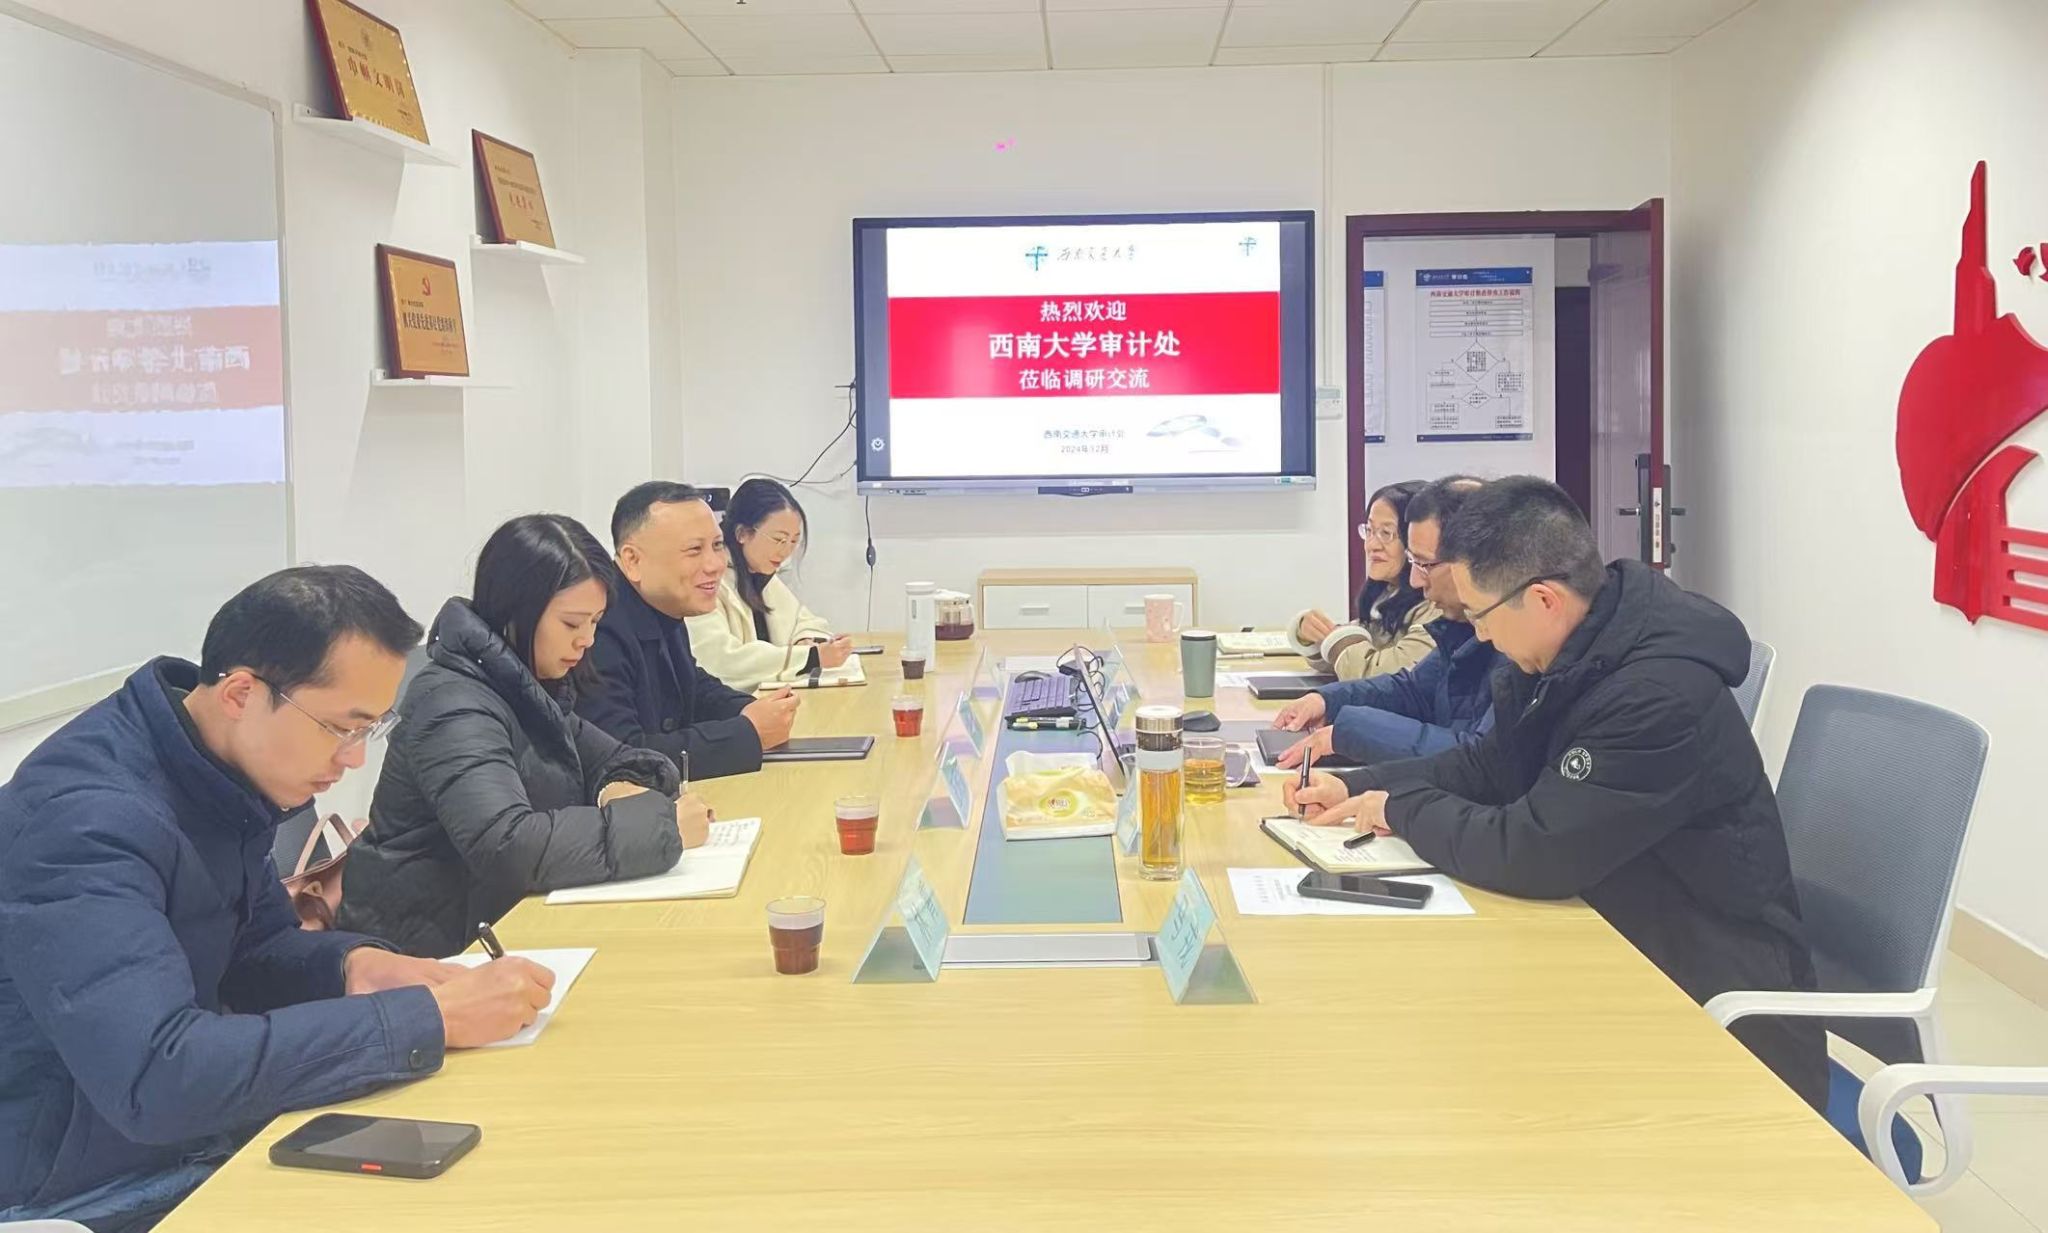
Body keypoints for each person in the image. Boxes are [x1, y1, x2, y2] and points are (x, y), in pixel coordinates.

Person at [0, 567, 554, 1231]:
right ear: (241, 692)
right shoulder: (86, 825)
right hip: (72, 1187)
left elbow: (254, 949)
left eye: (370, 730)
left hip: (171, 1137)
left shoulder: (214, 769)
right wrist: (425, 1019)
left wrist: (353, 968)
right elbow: (156, 1077)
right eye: (341, 727)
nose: (353, 759)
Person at [1284, 477, 1826, 1112]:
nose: (1481, 638)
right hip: (1615, 953)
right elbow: (1489, 765)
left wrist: (1398, 809)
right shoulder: (1570, 652)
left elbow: (1534, 849)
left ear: (1542, 599)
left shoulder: (1655, 697)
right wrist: (1357, 786)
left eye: (1482, 616)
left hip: (1708, 1017)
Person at [339, 515, 712, 960]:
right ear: (518, 610)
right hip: (428, 951)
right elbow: (507, 845)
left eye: (595, 622)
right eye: (572, 624)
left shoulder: (526, 685)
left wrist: (613, 787)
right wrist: (663, 828)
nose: (587, 641)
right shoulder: (453, 702)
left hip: (501, 922)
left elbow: (627, 759)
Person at [575, 481, 800, 779]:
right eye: (694, 550)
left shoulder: (665, 604)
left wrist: (752, 710)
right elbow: (623, 756)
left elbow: (693, 688)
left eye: (717, 546)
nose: (715, 565)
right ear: (633, 560)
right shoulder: (596, 627)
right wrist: (747, 733)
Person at [1274, 476, 1500, 767]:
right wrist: (1325, 701)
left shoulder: (1515, 643)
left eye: (1425, 564)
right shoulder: (1460, 626)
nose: (1416, 580)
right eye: (1369, 531)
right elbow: (1412, 690)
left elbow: (1477, 758)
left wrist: (1350, 732)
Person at [686, 477, 853, 692]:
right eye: (779, 540)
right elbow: (720, 662)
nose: (786, 552)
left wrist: (807, 641)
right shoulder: (708, 581)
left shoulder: (760, 575)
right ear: (742, 533)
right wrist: (810, 657)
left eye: (793, 541)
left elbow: (803, 620)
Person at [1288, 480, 1440, 680]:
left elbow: (1378, 674)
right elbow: (1349, 660)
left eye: (1386, 533)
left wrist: (1337, 639)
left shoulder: (1438, 607)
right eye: (1369, 530)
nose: (1371, 545)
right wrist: (1311, 636)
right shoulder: (1388, 595)